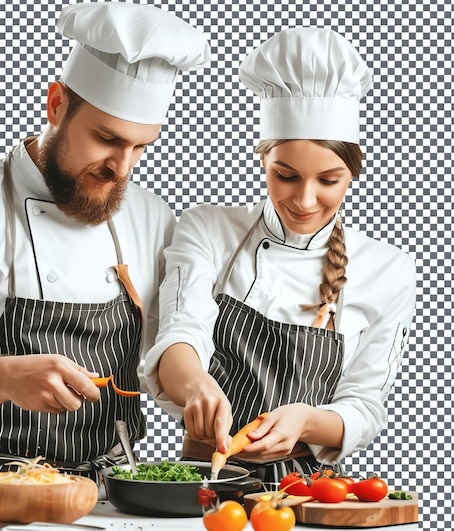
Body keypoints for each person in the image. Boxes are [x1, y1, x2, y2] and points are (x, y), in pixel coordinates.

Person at [0, 2, 209, 496]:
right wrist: (5, 377)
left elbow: (170, 348)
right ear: (56, 104)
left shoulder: (151, 217)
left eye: (140, 147)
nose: (121, 168)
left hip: (116, 492)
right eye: (106, 138)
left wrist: (199, 392)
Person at [144, 27, 416, 484]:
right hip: (199, 482)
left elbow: (365, 405)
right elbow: (179, 331)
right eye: (285, 175)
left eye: (329, 180)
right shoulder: (208, 229)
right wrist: (197, 387)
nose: (305, 200)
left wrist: (306, 421)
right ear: (264, 159)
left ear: (352, 173)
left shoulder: (388, 270)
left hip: (308, 496)